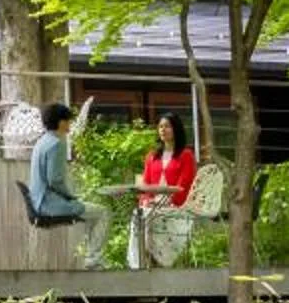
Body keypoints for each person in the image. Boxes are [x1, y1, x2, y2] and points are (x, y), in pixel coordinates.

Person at [26, 101, 116, 267]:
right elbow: (55, 180)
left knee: (92, 215)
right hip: (49, 204)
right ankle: (94, 259)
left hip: (39, 201)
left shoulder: (42, 142)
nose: (70, 124)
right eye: (68, 120)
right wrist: (70, 196)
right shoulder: (56, 144)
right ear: (61, 122)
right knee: (104, 213)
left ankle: (92, 258)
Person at [130, 112, 198, 267]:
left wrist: (166, 202)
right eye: (160, 126)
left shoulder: (186, 155)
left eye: (167, 126)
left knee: (150, 218)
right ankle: (141, 262)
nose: (163, 130)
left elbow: (184, 187)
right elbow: (145, 186)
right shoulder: (152, 156)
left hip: (176, 207)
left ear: (176, 129)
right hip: (153, 206)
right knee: (139, 215)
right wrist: (147, 200)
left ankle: (156, 262)